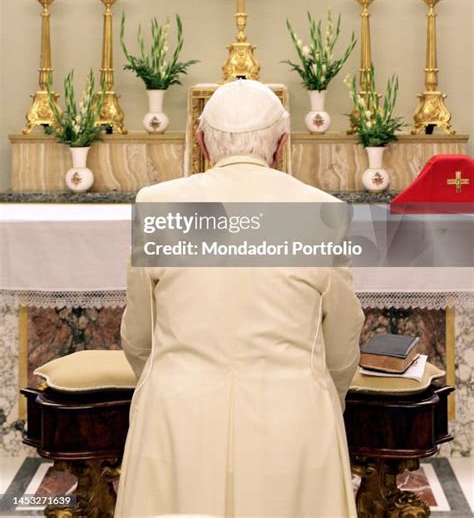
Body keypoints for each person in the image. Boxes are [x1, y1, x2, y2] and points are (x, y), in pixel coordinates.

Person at [115, 80, 365, 518]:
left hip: (179, 417)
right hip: (291, 418)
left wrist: (169, 380)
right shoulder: (322, 211)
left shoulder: (156, 204)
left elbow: (138, 335)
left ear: (201, 143)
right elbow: (343, 340)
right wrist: (324, 396)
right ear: (282, 144)